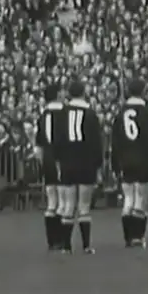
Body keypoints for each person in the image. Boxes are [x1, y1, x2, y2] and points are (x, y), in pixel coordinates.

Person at [111, 78, 148, 248]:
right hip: (143, 159)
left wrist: (115, 165)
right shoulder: (146, 112)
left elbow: (114, 141)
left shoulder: (121, 112)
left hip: (125, 159)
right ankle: (138, 236)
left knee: (128, 199)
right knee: (141, 198)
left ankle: (127, 237)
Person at [56, 80, 103, 255]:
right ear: (83, 93)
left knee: (68, 205)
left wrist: (59, 161)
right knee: (84, 206)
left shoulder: (62, 113)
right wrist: (98, 165)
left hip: (67, 162)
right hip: (86, 163)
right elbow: (96, 143)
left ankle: (66, 246)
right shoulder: (90, 114)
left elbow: (58, 141)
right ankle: (86, 246)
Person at [34, 84, 64, 251]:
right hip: (61, 160)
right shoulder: (64, 113)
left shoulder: (43, 115)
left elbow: (38, 145)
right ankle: (60, 238)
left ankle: (51, 240)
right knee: (62, 201)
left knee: (51, 201)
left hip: (48, 159)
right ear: (58, 94)